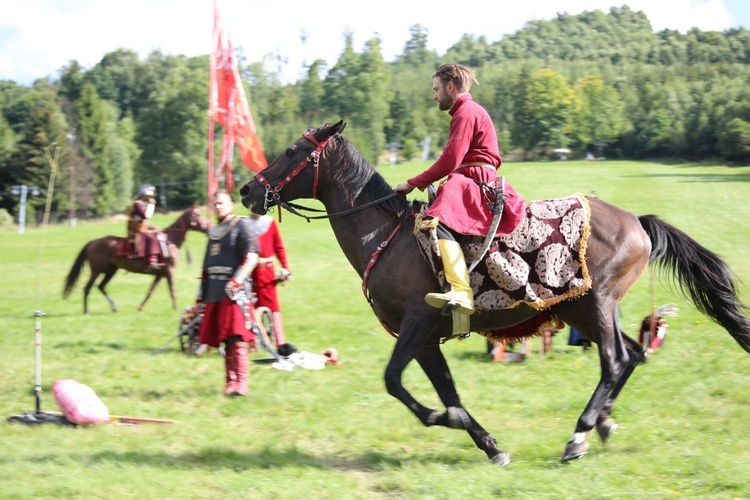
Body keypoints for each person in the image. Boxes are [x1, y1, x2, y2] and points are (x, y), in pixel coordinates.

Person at [393, 63, 526, 318]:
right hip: (470, 177)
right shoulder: (466, 111)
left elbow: (449, 161)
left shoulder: (465, 112)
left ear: (450, 86)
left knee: (435, 218)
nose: (434, 96)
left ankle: (460, 292)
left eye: (436, 89)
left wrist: (412, 183)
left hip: (473, 180)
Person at [195, 190, 259, 396]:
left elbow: (251, 257)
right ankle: (230, 382)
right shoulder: (214, 232)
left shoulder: (241, 225)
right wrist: (200, 297)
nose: (217, 207)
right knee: (224, 339)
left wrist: (236, 280)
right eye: (214, 204)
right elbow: (205, 270)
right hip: (214, 290)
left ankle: (242, 382)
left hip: (234, 293)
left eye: (221, 203)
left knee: (236, 336)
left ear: (230, 204)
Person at [248, 211, 291, 347]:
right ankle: (252, 342)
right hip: (249, 272)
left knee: (273, 307)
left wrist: (285, 267)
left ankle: (279, 341)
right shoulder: (244, 223)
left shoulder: (270, 223)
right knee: (250, 304)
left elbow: (279, 247)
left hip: (267, 273)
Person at [126, 184, 162, 270]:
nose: (149, 198)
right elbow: (146, 215)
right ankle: (151, 261)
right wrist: (152, 204)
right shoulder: (138, 204)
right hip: (136, 229)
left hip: (140, 227)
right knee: (152, 239)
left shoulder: (140, 204)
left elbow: (142, 219)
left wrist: (150, 227)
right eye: (148, 196)